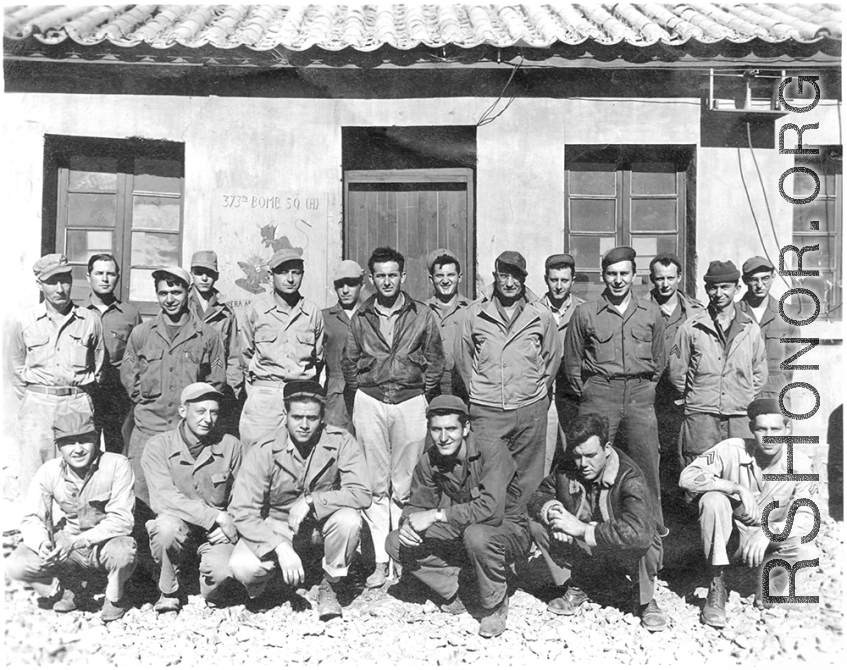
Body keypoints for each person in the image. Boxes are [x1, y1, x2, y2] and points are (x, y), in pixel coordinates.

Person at [386, 395, 530, 638]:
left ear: (466, 428)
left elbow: (491, 509)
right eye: (436, 430)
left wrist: (437, 514)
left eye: (451, 429)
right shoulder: (430, 460)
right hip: (464, 525)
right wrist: (408, 523)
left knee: (478, 535)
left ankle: (494, 603)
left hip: (508, 528)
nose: (443, 438)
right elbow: (417, 505)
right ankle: (463, 590)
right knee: (396, 541)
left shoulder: (492, 449)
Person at [342, 246, 444, 588]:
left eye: (392, 275)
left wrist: (419, 393)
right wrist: (364, 390)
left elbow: (436, 360)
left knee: (405, 483)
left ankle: (402, 556)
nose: (386, 281)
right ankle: (380, 563)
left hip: (410, 402)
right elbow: (349, 362)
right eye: (380, 275)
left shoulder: (422, 314)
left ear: (403, 277)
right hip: (370, 401)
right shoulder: (361, 317)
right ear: (371, 279)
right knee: (375, 484)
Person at [228, 381, 371, 619]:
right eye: (297, 417)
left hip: (318, 526)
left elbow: (362, 492)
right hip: (277, 528)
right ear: (285, 415)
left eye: (312, 418)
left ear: (322, 417)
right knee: (243, 566)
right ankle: (274, 586)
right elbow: (242, 510)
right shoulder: (264, 449)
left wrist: (313, 500)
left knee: (349, 520)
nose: (304, 425)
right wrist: (279, 546)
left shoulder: (340, 441)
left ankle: (330, 586)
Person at [679, 398, 819, 628]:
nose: (769, 436)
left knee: (805, 547)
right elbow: (687, 477)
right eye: (761, 429)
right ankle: (717, 583)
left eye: (775, 429)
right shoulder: (731, 449)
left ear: (787, 430)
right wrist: (734, 487)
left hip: (767, 545)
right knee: (712, 499)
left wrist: (769, 532)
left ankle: (770, 582)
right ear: (752, 429)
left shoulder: (801, 465)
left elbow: (807, 515)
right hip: (731, 541)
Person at [528, 413, 668, 631]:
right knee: (538, 526)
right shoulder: (567, 468)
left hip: (621, 548)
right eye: (578, 456)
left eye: (591, 455)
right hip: (588, 545)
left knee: (649, 541)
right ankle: (576, 586)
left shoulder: (629, 476)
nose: (583, 464)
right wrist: (556, 514)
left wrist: (582, 529)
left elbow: (639, 532)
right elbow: (538, 496)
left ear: (608, 448)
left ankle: (645, 598)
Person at [563, 246, 666, 524]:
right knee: (589, 461)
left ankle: (651, 531)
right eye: (611, 274)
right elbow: (572, 364)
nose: (618, 280)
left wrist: (644, 389)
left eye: (624, 273)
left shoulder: (651, 312)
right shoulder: (585, 313)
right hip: (599, 393)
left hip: (638, 396)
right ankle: (585, 526)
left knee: (645, 464)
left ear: (634, 275)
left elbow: (660, 360)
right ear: (603, 276)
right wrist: (589, 391)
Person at [5, 413, 136, 622]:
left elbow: (122, 520)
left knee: (123, 551)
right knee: (18, 564)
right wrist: (42, 544)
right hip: (68, 548)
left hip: (104, 543)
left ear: (95, 439)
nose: (78, 449)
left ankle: (114, 597)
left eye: (84, 440)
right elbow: (32, 517)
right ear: (58, 446)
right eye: (68, 443)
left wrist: (75, 542)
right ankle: (68, 588)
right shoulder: (49, 470)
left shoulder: (117, 464)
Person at [455, 250, 561, 505]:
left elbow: (551, 356)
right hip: (488, 411)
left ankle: (523, 535)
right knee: (488, 477)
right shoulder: (474, 313)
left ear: (524, 279)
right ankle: (491, 534)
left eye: (516, 276)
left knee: (528, 480)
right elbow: (463, 357)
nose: (510, 283)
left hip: (529, 410)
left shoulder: (540, 314)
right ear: (495, 276)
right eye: (504, 276)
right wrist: (480, 390)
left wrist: (535, 391)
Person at [121, 266, 226, 507]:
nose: (169, 299)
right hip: (148, 428)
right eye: (163, 293)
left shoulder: (207, 336)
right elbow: (129, 376)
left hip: (188, 433)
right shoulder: (141, 334)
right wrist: (149, 401)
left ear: (189, 292)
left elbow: (216, 381)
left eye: (176, 292)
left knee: (188, 494)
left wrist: (195, 415)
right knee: (141, 493)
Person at [141, 383, 243, 612]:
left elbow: (244, 495)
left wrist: (232, 519)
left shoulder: (231, 446)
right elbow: (162, 499)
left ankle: (206, 586)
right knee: (164, 528)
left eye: (214, 412)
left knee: (220, 578)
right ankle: (169, 591)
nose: (208, 419)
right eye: (200, 411)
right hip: (181, 527)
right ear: (183, 411)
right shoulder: (158, 446)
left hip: (214, 534)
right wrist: (217, 516)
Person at [10, 253, 104, 495]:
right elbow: (16, 369)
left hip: (76, 403)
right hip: (37, 408)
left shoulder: (89, 320)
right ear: (40, 285)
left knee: (78, 475)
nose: (60, 289)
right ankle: (35, 530)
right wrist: (36, 398)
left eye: (65, 280)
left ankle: (75, 532)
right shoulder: (25, 321)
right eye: (52, 282)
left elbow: (99, 368)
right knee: (34, 477)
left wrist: (78, 398)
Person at [669, 260, 768, 467]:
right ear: (706, 289)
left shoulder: (750, 329)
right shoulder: (690, 328)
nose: (719, 293)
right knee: (698, 474)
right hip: (701, 417)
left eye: (725, 287)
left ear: (737, 288)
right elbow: (677, 372)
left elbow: (759, 373)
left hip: (740, 415)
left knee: (741, 472)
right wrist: (698, 397)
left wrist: (741, 394)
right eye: (713, 287)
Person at [239, 249, 324, 451]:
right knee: (256, 458)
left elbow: (318, 360)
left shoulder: (312, 313)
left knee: (299, 461)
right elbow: (245, 356)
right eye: (283, 272)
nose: (290, 278)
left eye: (296, 272)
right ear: (271, 277)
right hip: (265, 396)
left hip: (301, 396)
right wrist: (259, 393)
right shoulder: (256, 311)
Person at [647, 253, 703, 495]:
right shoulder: (640, 308)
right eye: (659, 278)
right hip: (651, 389)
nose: (665, 284)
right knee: (652, 452)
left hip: (683, 390)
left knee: (682, 450)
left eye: (670, 278)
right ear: (652, 279)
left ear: (680, 277)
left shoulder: (696, 311)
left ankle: (682, 510)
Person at [84, 253, 142, 455]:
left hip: (118, 392)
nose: (105, 279)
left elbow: (138, 353)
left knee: (117, 447)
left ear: (118, 277)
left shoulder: (129, 314)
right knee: (84, 443)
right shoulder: (78, 312)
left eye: (110, 274)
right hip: (86, 391)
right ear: (88, 276)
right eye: (99, 273)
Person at [534, 253, 584, 474]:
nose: (559, 286)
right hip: (543, 388)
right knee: (541, 449)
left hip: (571, 391)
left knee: (572, 446)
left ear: (572, 280)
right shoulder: (533, 310)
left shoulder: (583, 310)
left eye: (564, 280)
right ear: (546, 279)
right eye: (554, 280)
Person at [189, 250, 243, 433]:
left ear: (217, 276)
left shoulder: (225, 312)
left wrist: (233, 387)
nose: (204, 278)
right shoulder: (182, 305)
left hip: (216, 385)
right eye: (199, 272)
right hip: (187, 380)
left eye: (209, 273)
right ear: (191, 274)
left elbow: (234, 353)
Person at [737, 256, 799, 400]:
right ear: (745, 280)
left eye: (765, 278)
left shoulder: (788, 314)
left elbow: (791, 361)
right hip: (741, 391)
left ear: (773, 277)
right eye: (754, 279)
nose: (760, 285)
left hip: (776, 391)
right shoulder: (734, 313)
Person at [321, 260, 366, 434]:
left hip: (367, 393)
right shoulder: (325, 317)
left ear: (361, 286)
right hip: (336, 395)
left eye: (352, 284)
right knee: (336, 442)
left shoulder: (371, 315)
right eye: (340, 285)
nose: (345, 290)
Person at [425, 248, 471, 404]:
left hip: (464, 382)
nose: (445, 281)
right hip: (431, 385)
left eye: (450, 275)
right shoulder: (421, 311)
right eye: (440, 276)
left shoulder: (472, 310)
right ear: (431, 279)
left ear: (460, 277)